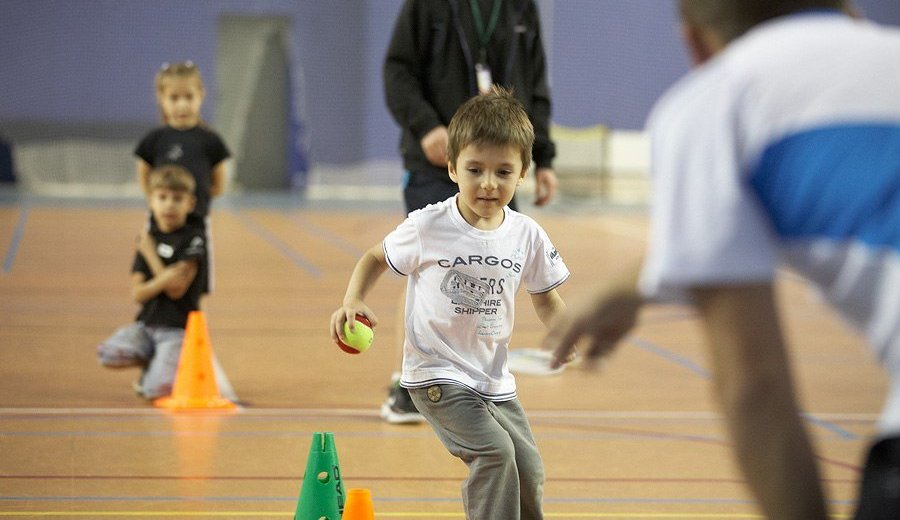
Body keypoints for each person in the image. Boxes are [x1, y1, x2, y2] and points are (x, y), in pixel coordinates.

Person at [543, 1, 900, 518]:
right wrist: (638, 282)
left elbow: (755, 387)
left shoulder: (717, 102)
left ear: (695, 43)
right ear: (847, 8)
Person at [331, 87, 569, 519]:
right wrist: (353, 298)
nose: (489, 183)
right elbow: (374, 258)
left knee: (528, 467)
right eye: (475, 169)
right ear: (452, 167)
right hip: (436, 374)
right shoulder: (428, 225)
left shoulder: (526, 234)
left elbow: (547, 298)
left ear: (523, 174)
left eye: (503, 171)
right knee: (496, 455)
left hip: (492, 381)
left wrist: (567, 331)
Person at [382, 0, 559, 423]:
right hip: (436, 159)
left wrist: (545, 158)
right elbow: (397, 72)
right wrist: (426, 126)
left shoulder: (521, 9)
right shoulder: (426, 7)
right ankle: (413, 381)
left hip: (497, 166)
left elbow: (535, 84)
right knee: (428, 266)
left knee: (489, 272)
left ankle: (476, 378)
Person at [98, 165, 205, 399]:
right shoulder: (149, 239)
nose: (169, 205)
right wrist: (166, 275)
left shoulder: (193, 239)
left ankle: (164, 365)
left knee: (155, 391)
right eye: (162, 197)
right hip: (145, 325)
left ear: (190, 203)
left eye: (177, 199)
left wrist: (151, 256)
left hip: (176, 329)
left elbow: (177, 291)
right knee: (107, 354)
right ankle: (152, 358)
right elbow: (137, 293)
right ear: (151, 201)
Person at [135, 61, 230, 294]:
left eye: (189, 97)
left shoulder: (210, 141)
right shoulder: (154, 140)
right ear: (161, 98)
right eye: (174, 98)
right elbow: (145, 178)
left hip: (195, 226)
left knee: (195, 290)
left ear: (201, 95)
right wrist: (161, 205)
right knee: (156, 282)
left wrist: (188, 205)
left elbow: (218, 185)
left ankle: (196, 330)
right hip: (161, 226)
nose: (182, 105)